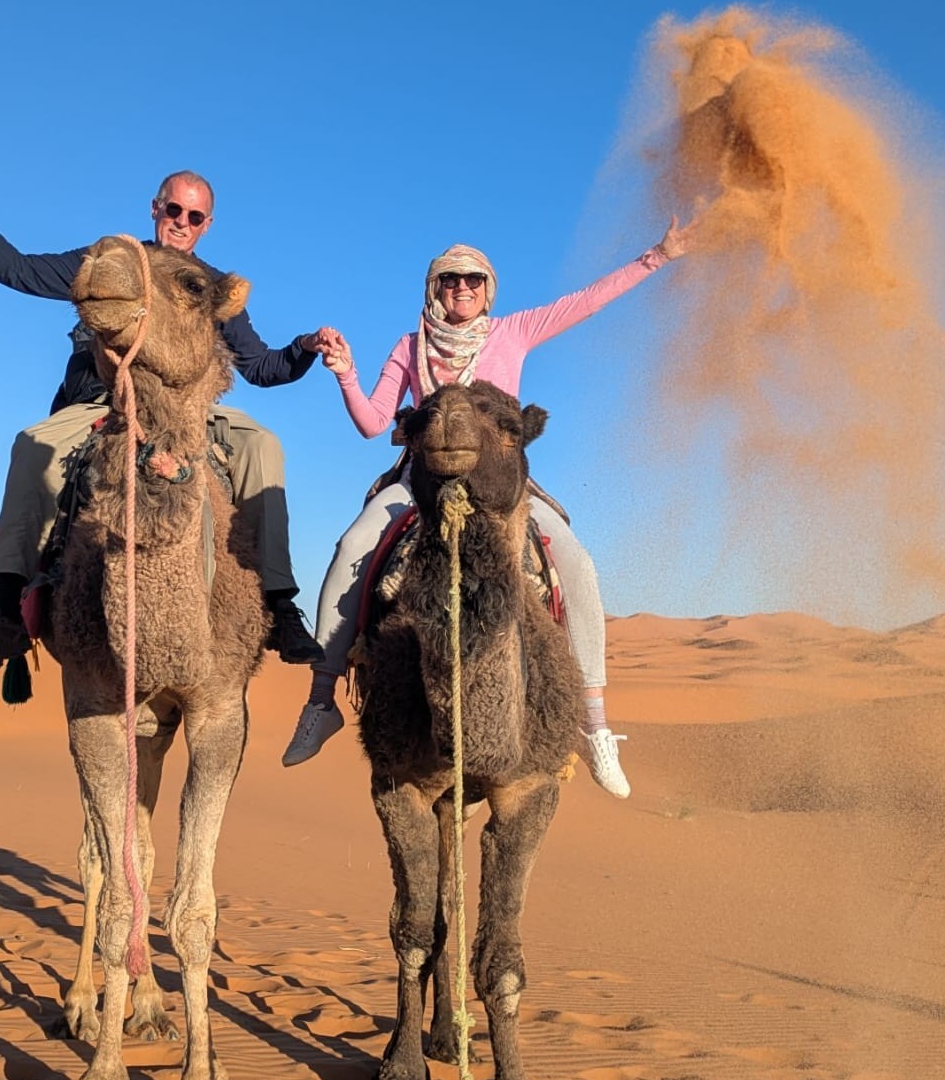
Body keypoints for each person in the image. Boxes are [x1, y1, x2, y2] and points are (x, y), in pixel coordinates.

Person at [282, 220, 695, 795]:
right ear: (435, 288)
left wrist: (656, 257)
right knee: (353, 548)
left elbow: (585, 303)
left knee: (573, 562)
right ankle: (322, 699)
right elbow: (375, 424)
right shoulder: (411, 345)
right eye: (449, 279)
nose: (462, 288)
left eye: (473, 279)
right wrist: (346, 372)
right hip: (424, 481)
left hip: (500, 486)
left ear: (488, 287)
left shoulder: (513, 331)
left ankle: (595, 722)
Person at [0, 153, 331, 673]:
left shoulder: (207, 286)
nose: (181, 223)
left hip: (186, 410)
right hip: (105, 404)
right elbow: (18, 270)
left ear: (207, 226)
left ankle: (278, 602)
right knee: (33, 447)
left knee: (263, 446)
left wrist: (304, 348)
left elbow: (260, 367)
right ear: (155, 208)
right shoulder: (115, 265)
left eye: (194, 216)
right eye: (174, 209)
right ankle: (6, 610)